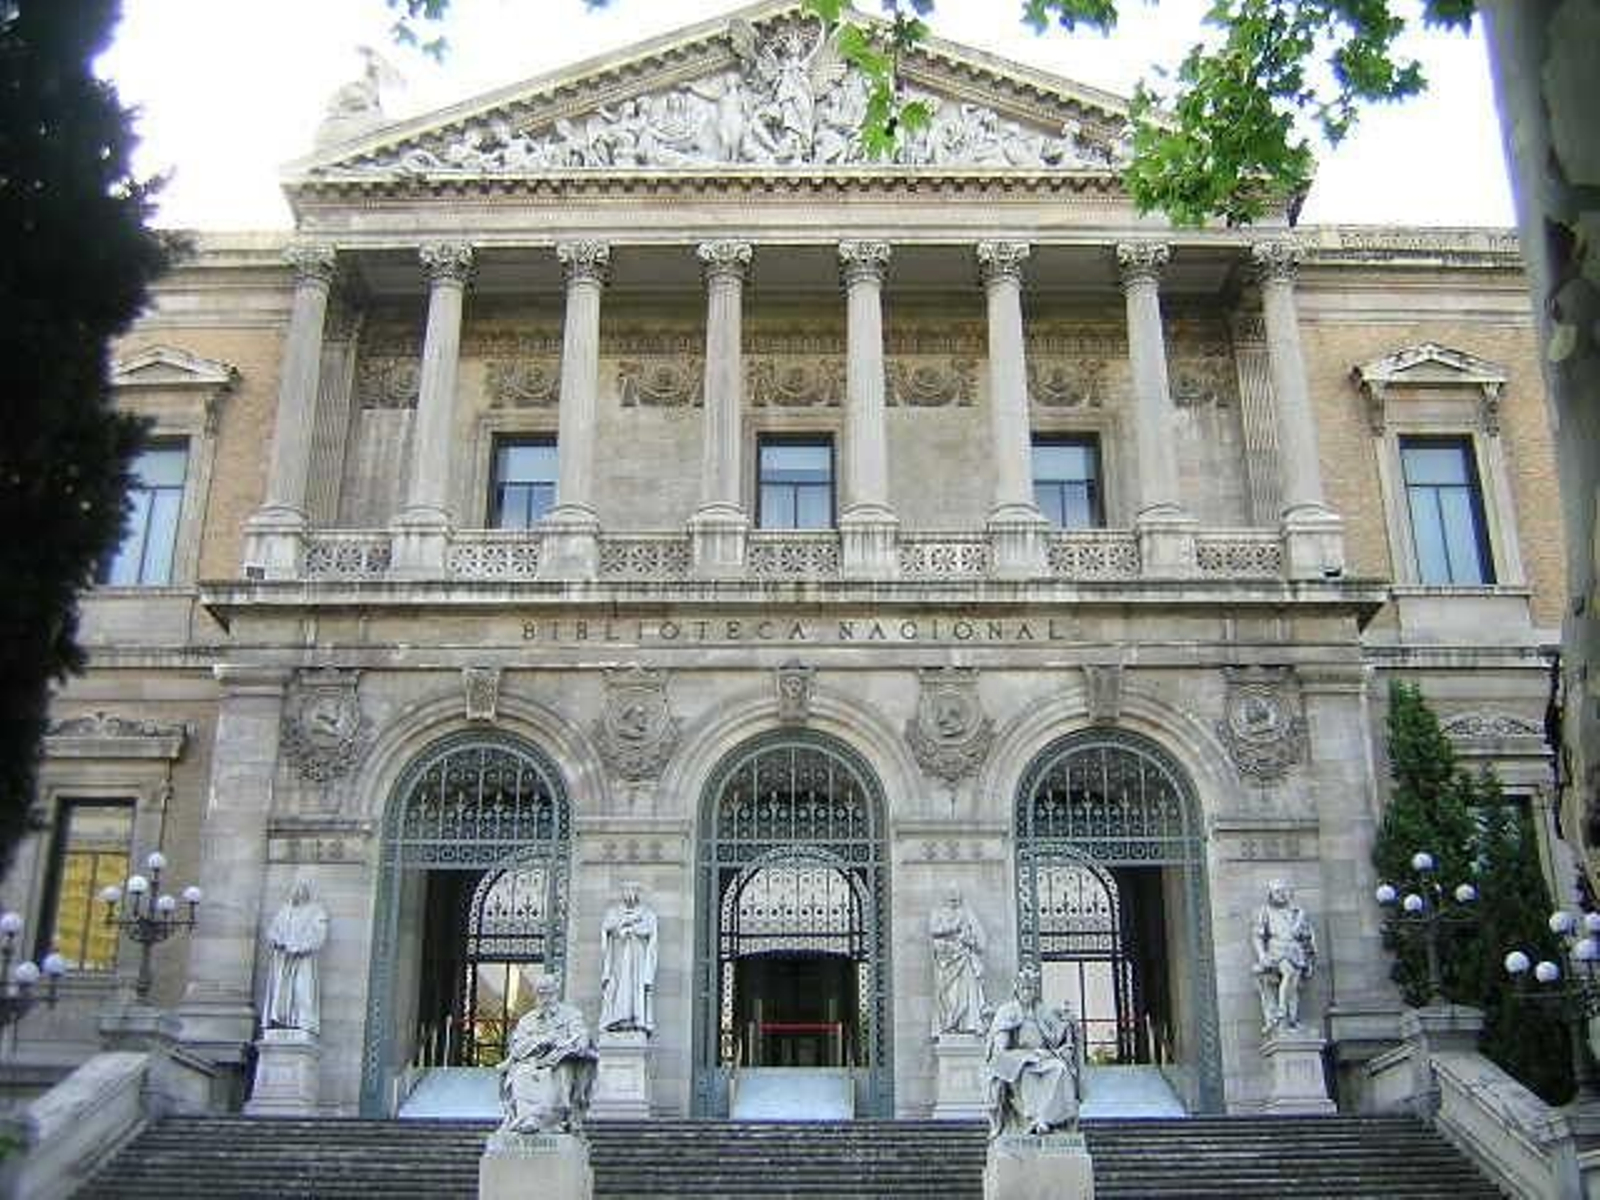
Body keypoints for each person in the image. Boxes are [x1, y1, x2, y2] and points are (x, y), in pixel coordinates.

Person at [985, 966, 1083, 1139]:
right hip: (1018, 1057)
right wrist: (1006, 1049)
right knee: (1026, 1073)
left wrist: (1069, 1025)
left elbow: (1056, 1037)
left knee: (1059, 1068)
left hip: (1042, 1056)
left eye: (1030, 989)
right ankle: (1033, 1118)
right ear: (1017, 989)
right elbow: (1001, 1046)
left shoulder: (1042, 1010)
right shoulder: (1007, 1011)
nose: (1027, 992)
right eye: (1024, 988)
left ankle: (1047, 1118)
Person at [499, 974, 599, 1135]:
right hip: (531, 1063)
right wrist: (541, 1042)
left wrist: (577, 1044)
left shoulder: (572, 1015)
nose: (544, 998)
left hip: (560, 1062)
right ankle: (526, 1119)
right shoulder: (527, 1020)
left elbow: (581, 1036)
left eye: (548, 993)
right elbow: (517, 1046)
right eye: (540, 993)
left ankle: (547, 1119)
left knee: (558, 1072)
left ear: (556, 992)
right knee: (521, 1073)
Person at [262, 880, 330, 1035]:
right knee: (281, 992)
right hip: (284, 958)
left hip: (303, 958)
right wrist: (278, 942)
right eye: (295, 890)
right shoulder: (285, 911)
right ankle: (280, 1020)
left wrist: (302, 947)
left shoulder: (316, 911)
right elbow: (273, 930)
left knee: (302, 989)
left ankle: (302, 1022)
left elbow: (320, 933)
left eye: (301, 890)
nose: (298, 893)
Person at [1252, 879, 1316, 1033]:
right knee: (1287, 974)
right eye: (1277, 891)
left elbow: (1307, 935)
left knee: (1293, 986)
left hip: (1295, 949)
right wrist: (1261, 956)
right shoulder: (1265, 911)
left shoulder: (1297, 912)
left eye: (1283, 891)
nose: (1280, 894)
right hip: (1277, 949)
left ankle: (1292, 1020)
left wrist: (1305, 936)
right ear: (1271, 895)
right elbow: (1257, 936)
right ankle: (1281, 1010)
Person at [599, 881, 658, 1035]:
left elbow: (651, 933)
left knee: (636, 988)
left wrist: (633, 930)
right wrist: (620, 929)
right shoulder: (613, 912)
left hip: (638, 959)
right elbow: (607, 929)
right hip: (618, 957)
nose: (629, 894)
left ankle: (636, 1018)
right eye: (626, 891)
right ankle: (616, 1018)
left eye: (633, 891)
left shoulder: (647, 913)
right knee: (618, 987)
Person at [929, 887, 987, 1035]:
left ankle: (966, 1025)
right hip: (945, 962)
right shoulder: (937, 913)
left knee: (965, 994)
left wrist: (968, 940)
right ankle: (948, 1024)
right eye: (951, 898)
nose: (954, 901)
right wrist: (952, 930)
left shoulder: (967, 914)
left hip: (963, 960)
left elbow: (981, 942)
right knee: (947, 996)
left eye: (956, 898)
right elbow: (933, 930)